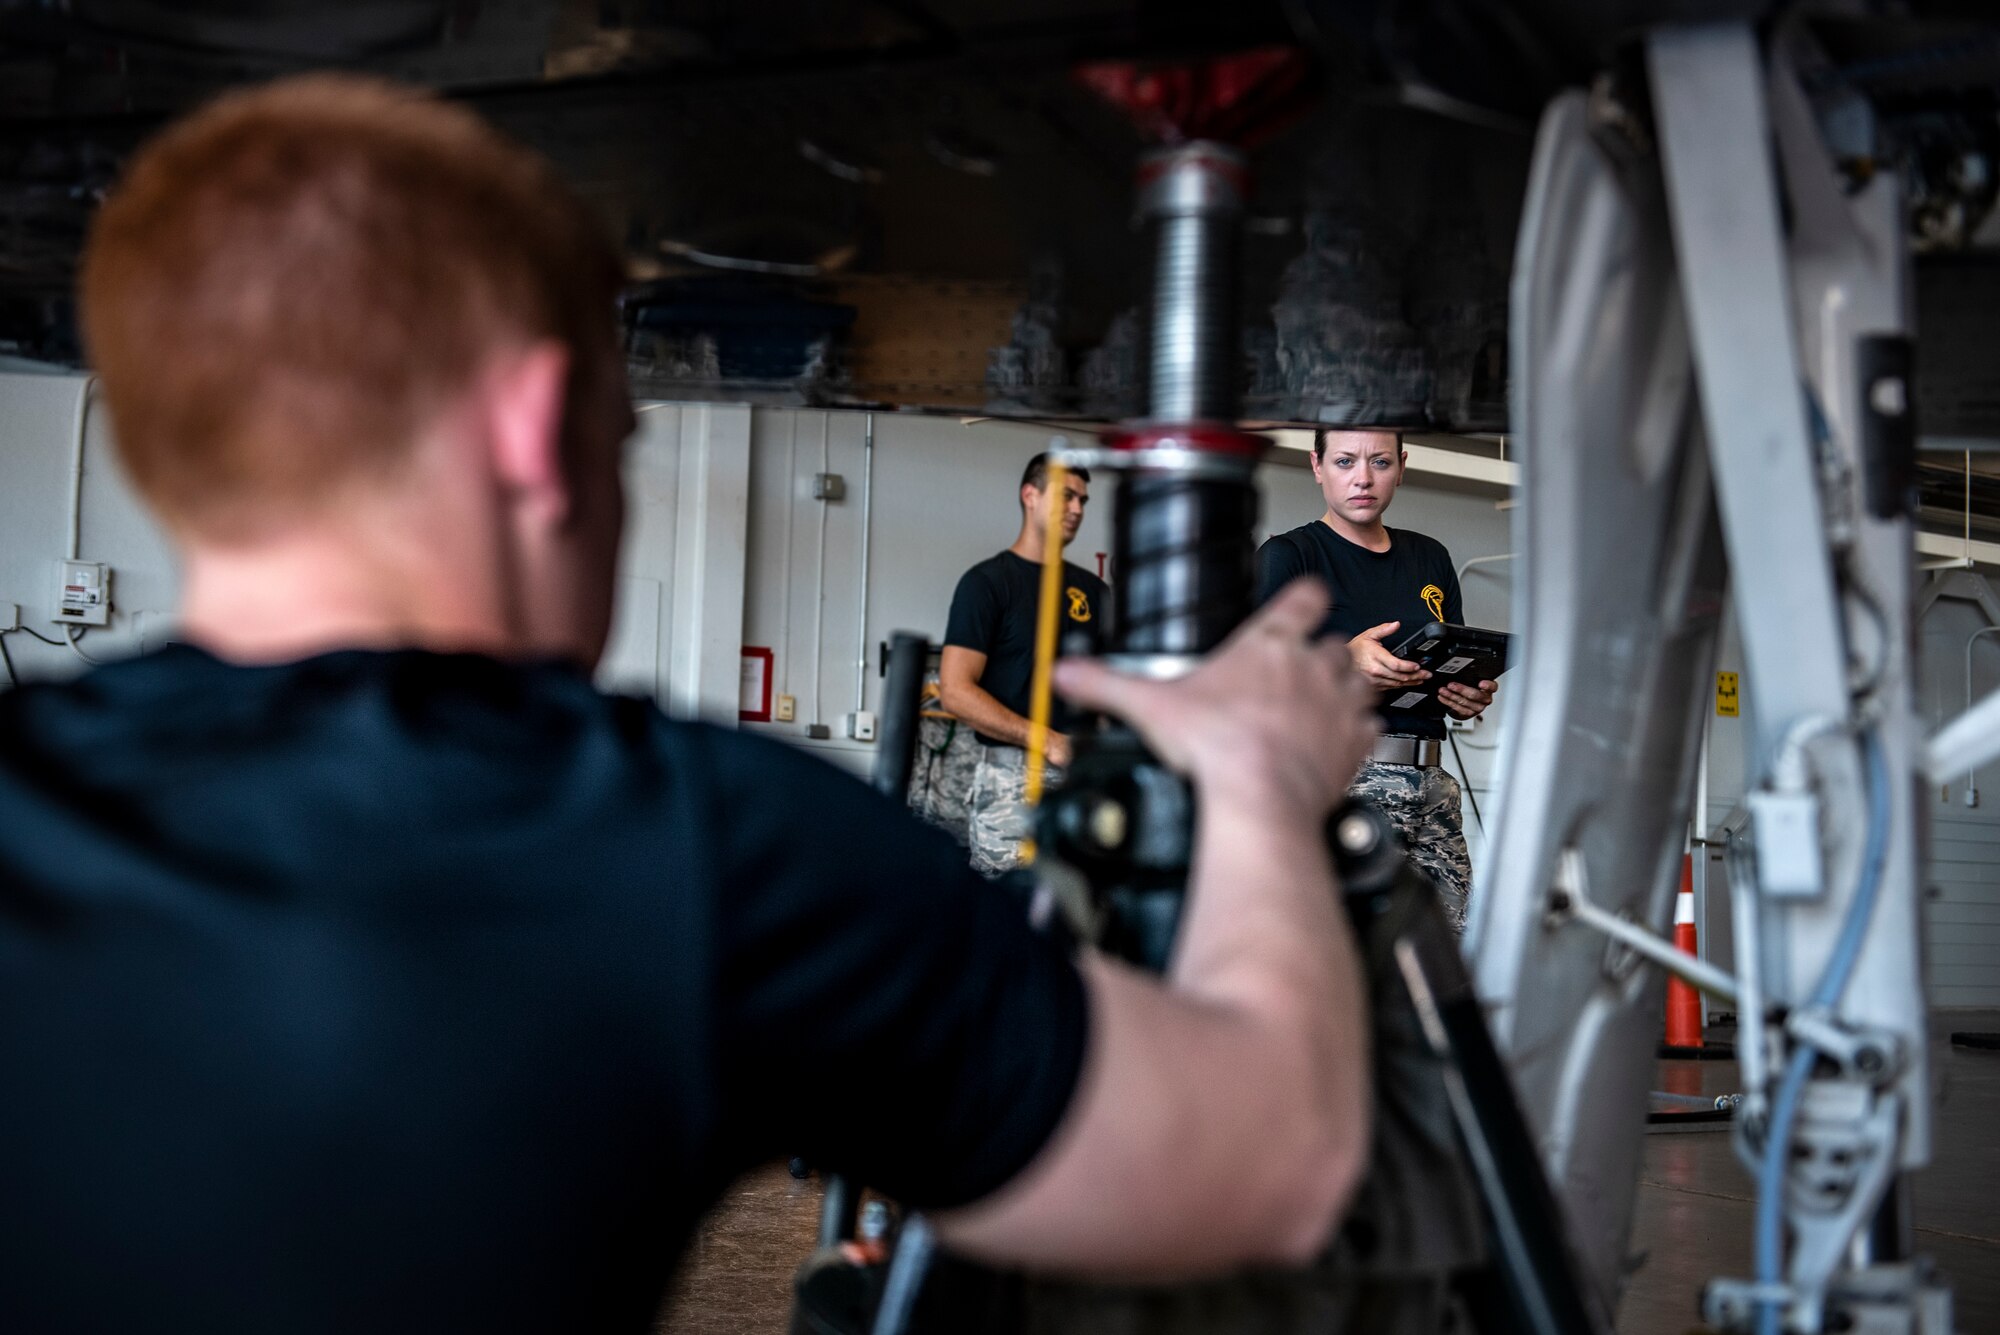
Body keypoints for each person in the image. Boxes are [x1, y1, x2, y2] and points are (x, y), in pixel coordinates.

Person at [0, 76, 1383, 1333]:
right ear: (539, 431)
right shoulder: (701, 843)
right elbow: (1270, 1163)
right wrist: (1260, 770)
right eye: (623, 440)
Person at [1256, 429, 1497, 933]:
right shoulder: (1291, 556)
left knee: (1447, 958)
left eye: (1380, 462)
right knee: (1349, 954)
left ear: (1402, 466)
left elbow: (1448, 661)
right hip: (1341, 781)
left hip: (1432, 784)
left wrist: (1465, 693)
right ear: (1317, 465)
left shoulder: (1429, 557)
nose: (1363, 478)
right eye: (1345, 461)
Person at [939, 455, 1111, 875]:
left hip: (1081, 784)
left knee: (1078, 919)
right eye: (1067, 496)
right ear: (1030, 496)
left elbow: (1108, 689)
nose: (1077, 509)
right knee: (1008, 920)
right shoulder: (986, 584)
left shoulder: (1092, 591)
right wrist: (1047, 740)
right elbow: (956, 690)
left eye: (1083, 501)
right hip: (1010, 783)